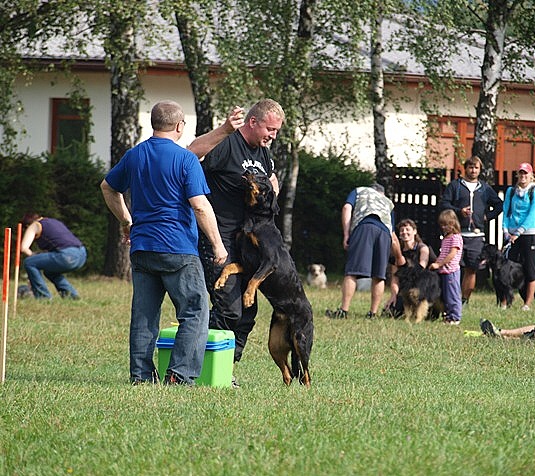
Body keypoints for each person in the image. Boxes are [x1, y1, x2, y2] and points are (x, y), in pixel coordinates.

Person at [100, 99, 240, 386]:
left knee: (144, 315)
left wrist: (126, 222)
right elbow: (200, 206)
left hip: (142, 249)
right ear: (179, 126)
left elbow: (108, 187)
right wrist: (218, 244)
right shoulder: (185, 159)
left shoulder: (134, 155)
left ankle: (140, 375)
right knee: (195, 311)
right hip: (177, 249)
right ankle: (179, 374)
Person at [198, 99, 285, 371]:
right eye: (269, 129)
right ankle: (198, 367)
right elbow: (191, 155)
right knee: (229, 309)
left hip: (247, 244)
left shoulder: (264, 153)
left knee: (248, 313)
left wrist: (272, 192)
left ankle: (226, 370)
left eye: (276, 131)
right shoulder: (227, 144)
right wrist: (222, 130)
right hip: (219, 239)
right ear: (252, 122)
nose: (272, 136)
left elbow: (270, 178)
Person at [325, 183, 406, 320]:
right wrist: (399, 257)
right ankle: (372, 314)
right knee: (379, 275)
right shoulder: (388, 203)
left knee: (352, 271)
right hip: (384, 234)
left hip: (364, 226)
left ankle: (343, 311)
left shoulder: (359, 191)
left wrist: (346, 234)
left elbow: (346, 208)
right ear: (382, 193)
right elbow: (393, 236)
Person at [439, 156, 503, 306]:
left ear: (480, 170)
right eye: (470, 167)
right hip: (457, 233)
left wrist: (488, 216)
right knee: (453, 268)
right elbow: (444, 204)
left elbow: (499, 205)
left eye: (476, 168)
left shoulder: (485, 188)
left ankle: (464, 300)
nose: (473, 170)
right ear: (465, 168)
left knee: (472, 269)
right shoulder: (455, 186)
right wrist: (459, 211)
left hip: (476, 235)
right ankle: (451, 298)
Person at [20, 213, 87, 300]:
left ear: (27, 225)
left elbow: (24, 248)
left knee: (29, 262)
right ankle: (71, 296)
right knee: (50, 272)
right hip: (82, 254)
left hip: (66, 256)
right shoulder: (54, 221)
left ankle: (43, 297)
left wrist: (34, 257)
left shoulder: (35, 225)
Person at [385, 218, 436, 317]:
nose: (404, 232)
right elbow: (395, 278)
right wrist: (393, 296)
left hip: (424, 286)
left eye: (408, 229)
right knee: (391, 312)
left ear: (414, 231)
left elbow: (421, 269)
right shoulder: (397, 253)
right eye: (402, 230)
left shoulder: (423, 248)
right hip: (405, 287)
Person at [502, 162, 535, 311]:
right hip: (511, 234)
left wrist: (519, 232)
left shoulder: (533, 191)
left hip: (528, 233)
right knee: (507, 268)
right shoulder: (511, 191)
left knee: (529, 268)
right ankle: (505, 301)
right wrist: (505, 230)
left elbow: (532, 215)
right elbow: (506, 211)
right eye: (521, 173)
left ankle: (527, 303)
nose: (523, 176)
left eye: (525, 173)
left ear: (530, 175)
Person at [429, 209, 463, 325]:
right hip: (444, 270)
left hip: (451, 271)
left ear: (452, 223)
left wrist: (439, 264)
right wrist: (437, 263)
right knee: (446, 295)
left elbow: (451, 254)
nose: (443, 227)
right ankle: (448, 315)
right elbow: (442, 254)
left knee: (453, 294)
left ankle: (455, 316)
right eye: (441, 225)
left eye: (445, 225)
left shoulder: (455, 237)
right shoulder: (446, 238)